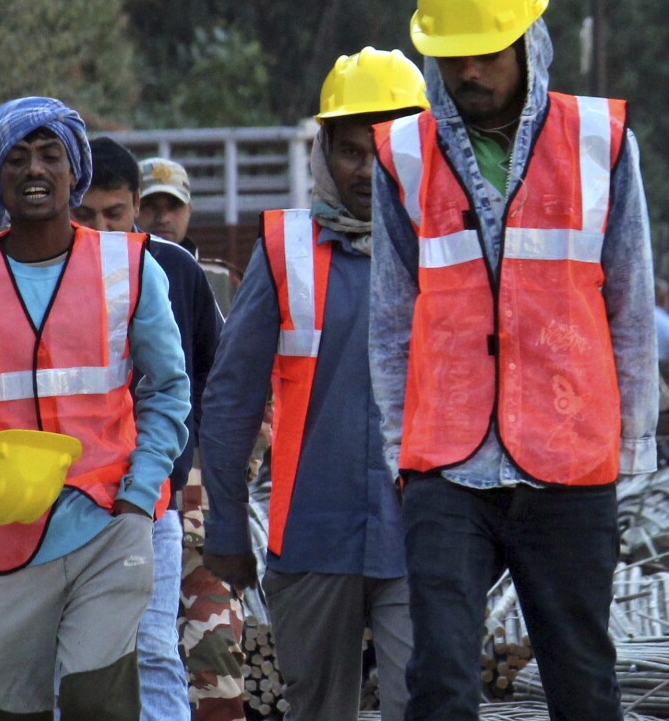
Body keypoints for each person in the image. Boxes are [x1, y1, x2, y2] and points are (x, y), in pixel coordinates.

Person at [370, 0, 658, 721]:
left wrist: (628, 452)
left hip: (570, 464)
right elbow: (392, 318)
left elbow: (630, 308)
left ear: (528, 41)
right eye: (454, 55)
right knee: (440, 683)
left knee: (583, 684)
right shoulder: (403, 156)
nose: (470, 73)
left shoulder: (601, 143)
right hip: (447, 467)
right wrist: (404, 452)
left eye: (488, 53)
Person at [0, 96, 190, 719]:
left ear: (73, 170)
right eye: (17, 158)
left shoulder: (130, 265)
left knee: (98, 703)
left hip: (109, 523)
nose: (34, 170)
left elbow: (168, 388)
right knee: (5, 711)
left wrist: (141, 497)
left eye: (49, 156)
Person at [201, 48, 429, 721]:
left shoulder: (449, 250)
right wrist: (224, 527)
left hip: (424, 532)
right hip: (310, 536)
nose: (369, 170)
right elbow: (230, 399)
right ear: (326, 151)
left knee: (430, 703)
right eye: (352, 151)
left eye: (386, 149)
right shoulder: (285, 249)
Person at [75, 137, 223, 719]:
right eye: (87, 215)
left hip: (152, 497)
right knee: (77, 656)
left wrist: (181, 458)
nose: (104, 228)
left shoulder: (176, 269)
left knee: (156, 650)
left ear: (136, 205)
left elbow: (211, 368)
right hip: (65, 498)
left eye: (116, 213)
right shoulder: (47, 272)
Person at [136, 157, 238, 313]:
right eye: (149, 206)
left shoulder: (223, 280)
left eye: (174, 206)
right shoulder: (116, 278)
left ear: (189, 209)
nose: (163, 218)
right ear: (132, 209)